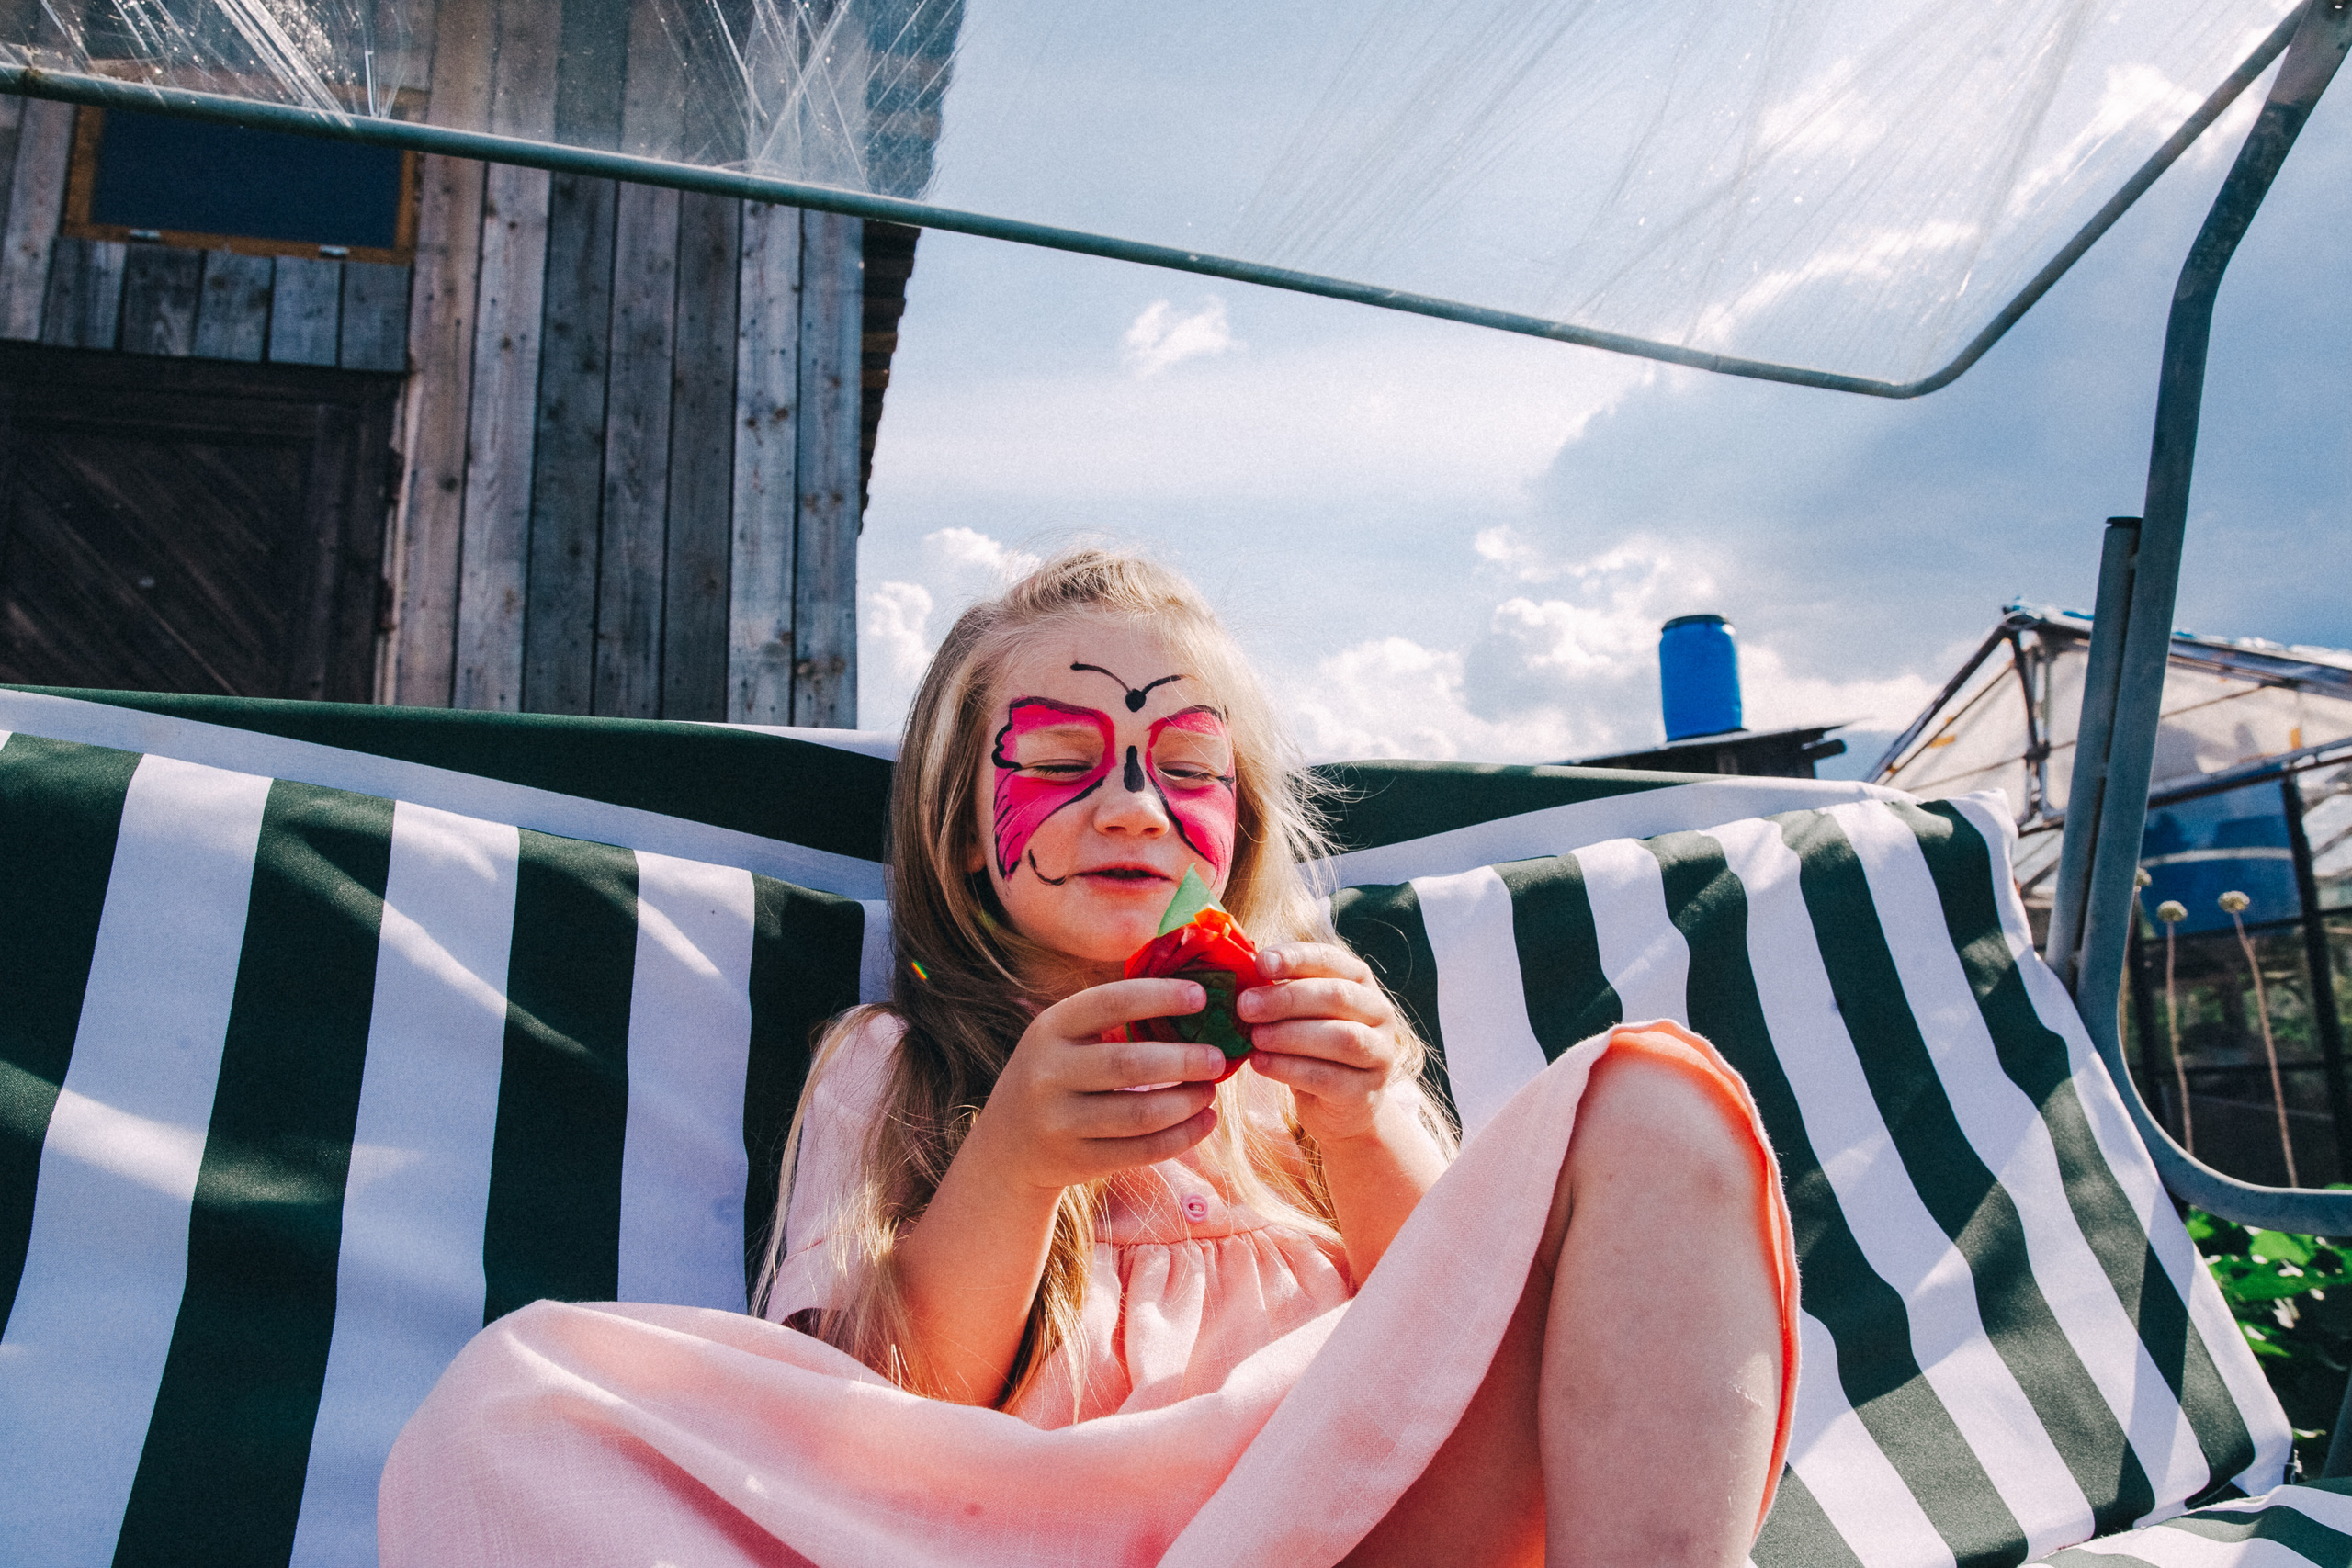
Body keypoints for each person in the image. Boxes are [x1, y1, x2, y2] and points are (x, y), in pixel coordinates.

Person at [381, 549, 1798, 1568]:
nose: (1129, 802)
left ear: (1237, 823)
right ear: (955, 817)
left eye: (1185, 766)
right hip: (1021, 1533)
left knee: (1655, 1094)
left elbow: (1466, 1339)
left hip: (1360, 1522)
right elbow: (875, 1431)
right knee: (516, 1397)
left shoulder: (1308, 1065)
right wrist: (1014, 1158)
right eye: (1061, 757)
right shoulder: (897, 1062)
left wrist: (1368, 1118)